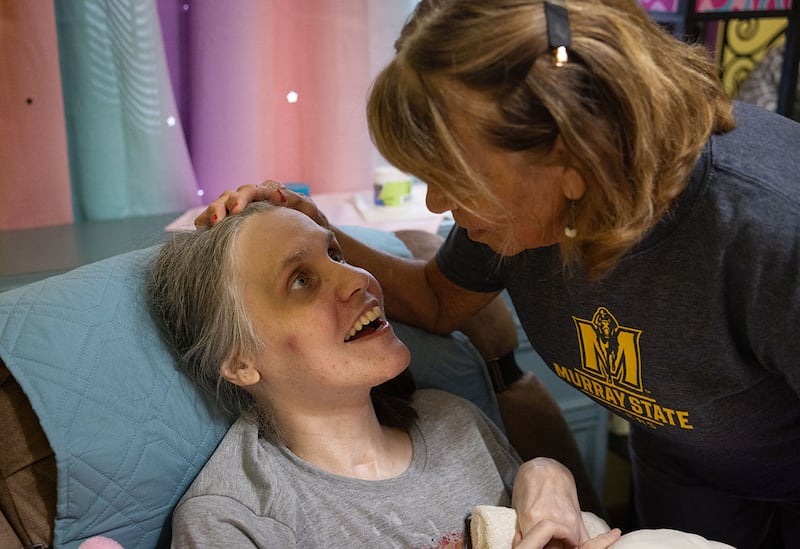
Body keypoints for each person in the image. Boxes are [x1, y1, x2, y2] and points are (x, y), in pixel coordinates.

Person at [198, 1, 800, 547]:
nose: (437, 204)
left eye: (457, 180)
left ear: (572, 161)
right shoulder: (522, 213)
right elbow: (435, 300)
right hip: (686, 466)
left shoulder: (773, 234)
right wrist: (315, 225)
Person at [147, 202, 621, 548]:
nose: (358, 278)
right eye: (300, 280)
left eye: (335, 254)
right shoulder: (235, 523)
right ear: (240, 361)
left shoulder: (455, 421)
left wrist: (546, 473)